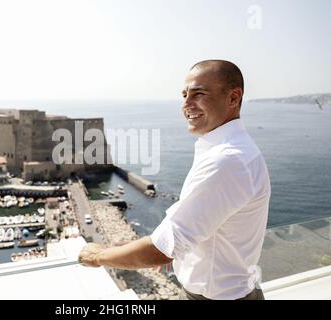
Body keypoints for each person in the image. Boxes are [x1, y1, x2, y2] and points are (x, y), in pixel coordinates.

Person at [78, 60, 270, 300]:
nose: (186, 104)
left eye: (199, 93)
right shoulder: (235, 152)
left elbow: (161, 250)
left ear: (233, 98)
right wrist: (178, 254)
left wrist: (98, 256)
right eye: (184, 95)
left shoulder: (226, 161)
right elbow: (210, 232)